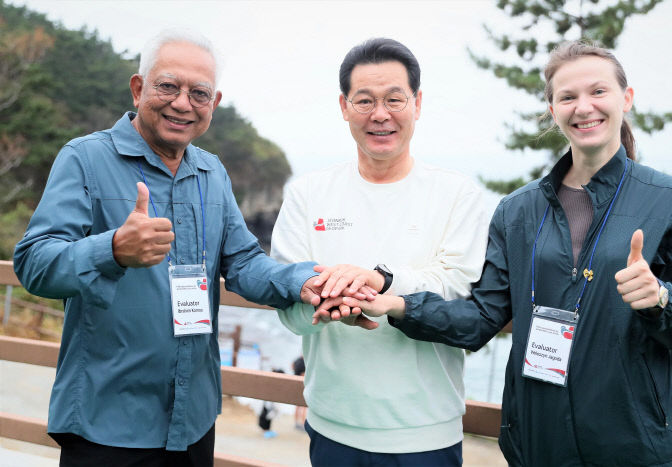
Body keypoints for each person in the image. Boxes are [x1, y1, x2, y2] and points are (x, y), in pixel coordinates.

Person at [340, 40, 672, 466]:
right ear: (552, 108)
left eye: (598, 91)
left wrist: (660, 299)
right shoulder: (518, 210)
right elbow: (482, 318)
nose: (584, 107)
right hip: (540, 447)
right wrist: (398, 304)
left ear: (626, 99)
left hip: (637, 449)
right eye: (568, 96)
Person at [12, 29, 335, 467]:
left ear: (213, 104)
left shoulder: (212, 172)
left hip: (192, 418)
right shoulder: (86, 159)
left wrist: (306, 280)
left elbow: (242, 262)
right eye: (168, 86)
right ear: (138, 88)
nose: (183, 103)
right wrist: (112, 249)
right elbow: (33, 262)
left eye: (198, 93)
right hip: (107, 420)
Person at [271, 38, 489, 466]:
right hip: (333, 424)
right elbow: (288, 304)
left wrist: (381, 283)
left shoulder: (456, 194)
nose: (381, 114)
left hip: (427, 432)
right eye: (365, 100)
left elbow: (459, 289)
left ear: (418, 103)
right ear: (344, 105)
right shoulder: (307, 194)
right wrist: (326, 302)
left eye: (395, 99)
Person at [292, 355, 307, 430]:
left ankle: (296, 422)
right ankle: (303, 423)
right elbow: (304, 375)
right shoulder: (305, 362)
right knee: (304, 407)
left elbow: (292, 365)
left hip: (295, 385)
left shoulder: (297, 360)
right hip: (302, 386)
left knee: (297, 406)